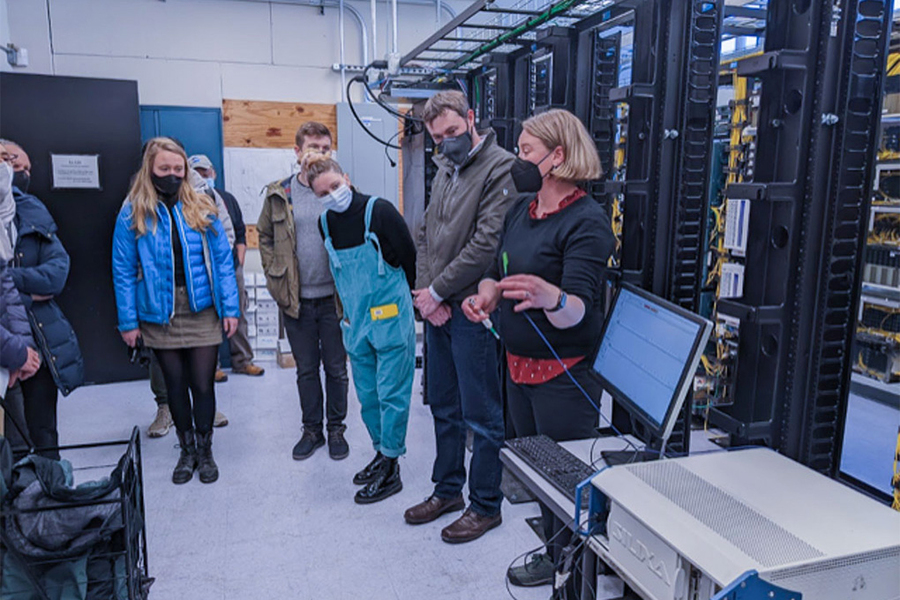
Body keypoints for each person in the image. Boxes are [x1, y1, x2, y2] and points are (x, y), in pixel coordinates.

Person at [462, 109, 614, 589]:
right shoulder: (520, 210)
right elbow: (495, 265)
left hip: (563, 380)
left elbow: (580, 313)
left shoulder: (586, 222)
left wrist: (553, 297)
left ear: (559, 156)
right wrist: (488, 292)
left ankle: (575, 576)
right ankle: (553, 555)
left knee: (569, 484)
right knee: (539, 477)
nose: (518, 160)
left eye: (527, 151)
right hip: (517, 369)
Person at [404, 90, 517, 543]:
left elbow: (486, 245)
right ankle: (447, 489)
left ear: (471, 119)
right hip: (442, 308)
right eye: (437, 137)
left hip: (474, 308)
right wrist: (428, 295)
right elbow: (426, 232)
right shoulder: (447, 167)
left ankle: (485, 505)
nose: (446, 142)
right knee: (443, 406)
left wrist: (436, 290)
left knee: (482, 414)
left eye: (452, 132)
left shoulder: (500, 167)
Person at [112, 137, 240, 485]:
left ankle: (205, 449)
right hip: (158, 312)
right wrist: (128, 322)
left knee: (202, 385)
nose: (171, 174)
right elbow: (122, 269)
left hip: (202, 308)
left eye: (177, 168)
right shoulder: (133, 210)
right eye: (163, 168)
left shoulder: (202, 204)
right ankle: (186, 452)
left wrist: (230, 308)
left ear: (185, 170)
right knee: (175, 385)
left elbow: (223, 262)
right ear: (149, 170)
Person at [307, 155, 417, 504]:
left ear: (346, 177)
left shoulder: (379, 211)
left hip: (390, 320)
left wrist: (411, 306)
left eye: (335, 186)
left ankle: (392, 466)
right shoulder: (325, 224)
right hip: (356, 323)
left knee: (391, 395)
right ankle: (381, 452)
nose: (331, 195)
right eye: (323, 192)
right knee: (368, 397)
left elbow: (409, 257)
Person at [258, 122, 350, 461]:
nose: (319, 154)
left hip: (334, 300)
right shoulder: (279, 193)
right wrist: (274, 273)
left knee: (337, 368)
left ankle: (336, 428)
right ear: (297, 152)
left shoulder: (338, 188)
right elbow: (265, 236)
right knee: (307, 370)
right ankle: (312, 430)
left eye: (326, 148)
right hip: (297, 300)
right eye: (313, 147)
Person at [3, 140, 84, 459]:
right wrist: (28, 291)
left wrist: (8, 285)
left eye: (26, 168)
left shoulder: (33, 209)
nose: (20, 172)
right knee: (13, 438)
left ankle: (51, 495)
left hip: (39, 335)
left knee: (44, 432)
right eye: (11, 163)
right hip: (5, 342)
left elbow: (56, 274)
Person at [189, 154, 265, 378]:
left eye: (206, 172)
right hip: (204, 273)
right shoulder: (187, 202)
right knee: (208, 318)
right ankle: (211, 368)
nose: (203, 177)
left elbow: (240, 233)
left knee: (238, 313)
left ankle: (243, 361)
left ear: (213, 173)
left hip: (231, 269)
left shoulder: (227, 199)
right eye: (198, 173)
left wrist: (238, 264)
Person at [0, 148, 41, 456]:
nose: (9, 169)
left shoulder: (8, 216)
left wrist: (20, 352)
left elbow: (7, 291)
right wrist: (15, 351)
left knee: (16, 448)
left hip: (7, 357)